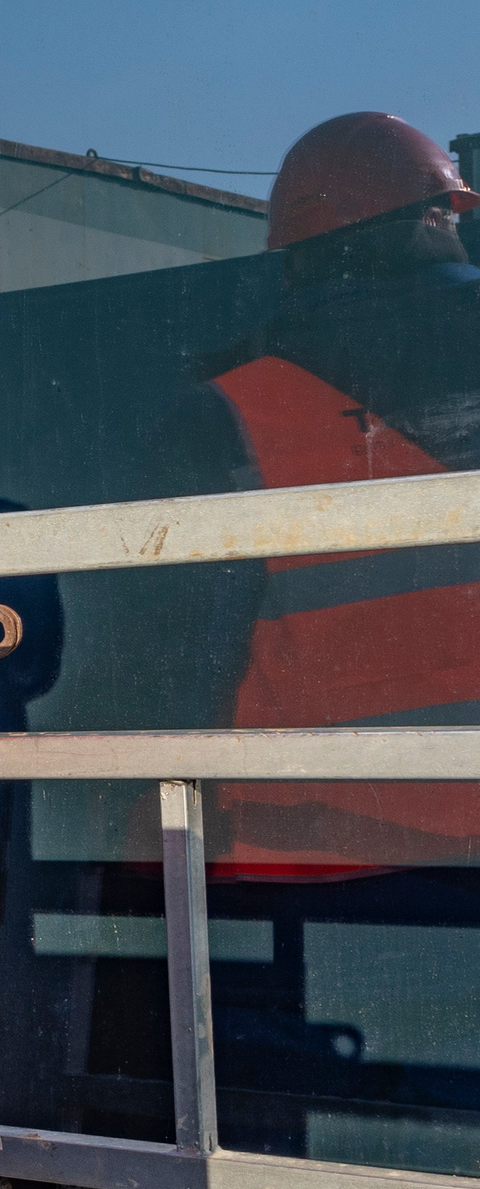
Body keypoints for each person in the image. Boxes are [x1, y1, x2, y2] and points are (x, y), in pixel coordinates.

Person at [163, 112, 480, 873]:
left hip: (318, 844)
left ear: (297, 254)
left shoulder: (233, 401)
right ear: (431, 216)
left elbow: (193, 644)